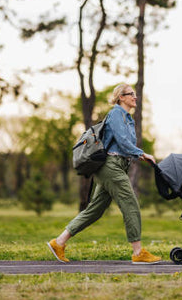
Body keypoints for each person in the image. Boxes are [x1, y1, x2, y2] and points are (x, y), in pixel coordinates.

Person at [47, 83, 161, 264]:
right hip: (111, 166)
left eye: (135, 94)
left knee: (94, 211)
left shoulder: (128, 119)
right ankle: (138, 252)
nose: (135, 97)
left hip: (117, 166)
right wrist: (142, 154)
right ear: (120, 97)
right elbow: (123, 142)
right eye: (130, 94)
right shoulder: (116, 113)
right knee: (130, 204)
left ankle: (58, 242)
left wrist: (137, 155)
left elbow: (124, 143)